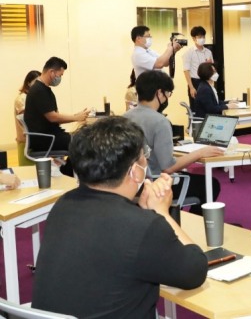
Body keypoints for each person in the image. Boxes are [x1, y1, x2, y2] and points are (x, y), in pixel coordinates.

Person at [32, 116, 208, 317]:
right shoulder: (143, 226)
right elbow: (195, 271)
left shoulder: (63, 205)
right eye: (144, 157)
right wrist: (161, 212)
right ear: (135, 172)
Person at [125, 70, 224, 214]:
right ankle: (191, 224)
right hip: (157, 185)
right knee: (211, 185)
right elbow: (168, 167)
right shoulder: (160, 121)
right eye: (168, 94)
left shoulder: (124, 117)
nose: (167, 99)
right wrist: (200, 153)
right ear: (159, 93)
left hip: (133, 183)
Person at [24, 57, 89, 176]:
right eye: (60, 75)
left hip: (51, 135)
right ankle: (68, 172)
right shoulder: (38, 91)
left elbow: (55, 116)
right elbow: (53, 117)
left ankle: (67, 171)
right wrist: (75, 118)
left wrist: (76, 116)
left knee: (82, 136)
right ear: (51, 72)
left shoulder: (45, 89)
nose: (60, 79)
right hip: (45, 139)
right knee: (82, 142)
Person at [14, 70, 41, 166]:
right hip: (26, 140)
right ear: (29, 83)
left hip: (33, 138)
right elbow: (30, 117)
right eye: (36, 81)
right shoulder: (22, 98)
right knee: (27, 171)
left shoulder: (33, 97)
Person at [183, 26, 214, 108]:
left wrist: (212, 84)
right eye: (200, 37)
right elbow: (186, 71)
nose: (202, 39)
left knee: (208, 107)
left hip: (207, 82)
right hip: (195, 82)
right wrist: (191, 87)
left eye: (203, 37)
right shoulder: (189, 53)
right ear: (194, 38)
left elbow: (212, 69)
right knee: (196, 108)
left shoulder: (208, 52)